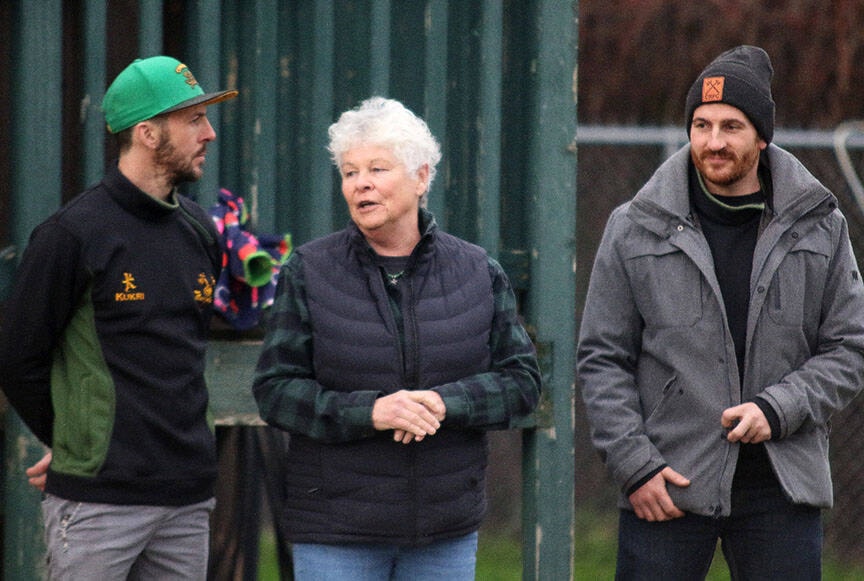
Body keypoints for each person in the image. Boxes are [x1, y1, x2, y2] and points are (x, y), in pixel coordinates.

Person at [576, 45, 864, 580]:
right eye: (701, 124)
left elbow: (850, 348)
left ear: (762, 136)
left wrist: (777, 409)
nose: (713, 142)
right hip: (666, 483)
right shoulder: (634, 226)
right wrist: (635, 466)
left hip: (781, 486)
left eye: (731, 126)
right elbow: (601, 359)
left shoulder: (821, 226)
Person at [252, 96, 541, 580]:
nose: (360, 183)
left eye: (377, 169)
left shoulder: (476, 271)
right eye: (349, 172)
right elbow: (276, 391)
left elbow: (522, 382)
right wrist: (371, 412)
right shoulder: (308, 271)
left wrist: (444, 403)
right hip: (335, 532)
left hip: (443, 532)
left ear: (421, 177)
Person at [0, 55, 237, 579]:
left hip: (187, 500)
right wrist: (79, 443)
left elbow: (186, 355)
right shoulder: (72, 235)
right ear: (149, 133)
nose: (210, 133)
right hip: (98, 506)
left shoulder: (201, 232)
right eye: (194, 119)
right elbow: (17, 360)